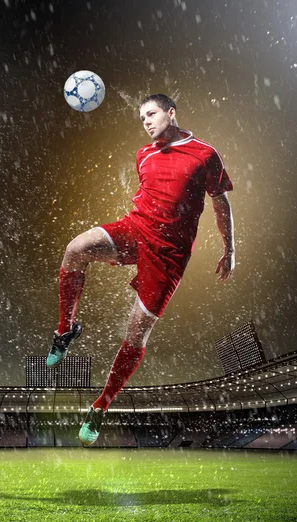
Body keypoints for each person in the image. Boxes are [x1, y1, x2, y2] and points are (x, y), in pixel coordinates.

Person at [46, 94, 235, 446]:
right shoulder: (144, 155)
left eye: (151, 114)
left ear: (171, 113)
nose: (146, 122)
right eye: (141, 117)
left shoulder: (205, 154)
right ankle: (64, 330)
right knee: (75, 249)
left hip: (170, 255)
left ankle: (101, 405)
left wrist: (230, 249)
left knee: (136, 333)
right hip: (136, 229)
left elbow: (220, 201)